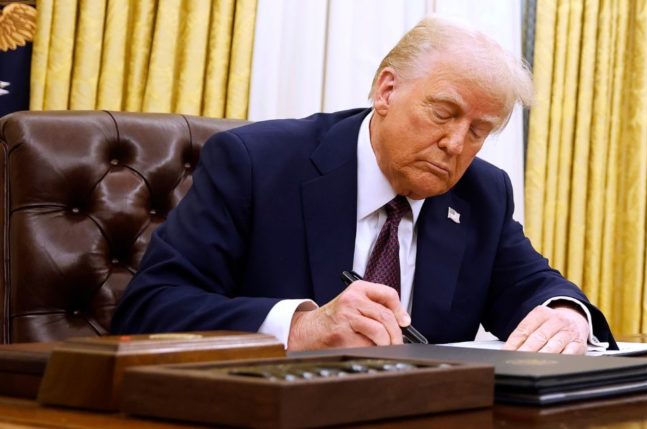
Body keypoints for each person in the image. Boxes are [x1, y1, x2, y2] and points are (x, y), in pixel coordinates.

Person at [111, 15, 617, 354]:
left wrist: (567, 315)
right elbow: (148, 309)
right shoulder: (256, 164)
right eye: (443, 113)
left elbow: (534, 288)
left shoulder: (481, 194)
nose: (456, 144)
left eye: (479, 131)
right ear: (387, 90)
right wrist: (302, 326)